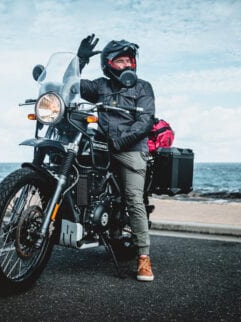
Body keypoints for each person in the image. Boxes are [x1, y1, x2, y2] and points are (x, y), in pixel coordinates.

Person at [77, 34, 156, 282]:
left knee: (133, 199)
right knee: (77, 176)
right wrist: (79, 60)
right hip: (101, 146)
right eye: (120, 61)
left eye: (129, 60)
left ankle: (143, 258)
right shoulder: (100, 86)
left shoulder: (143, 87)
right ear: (108, 64)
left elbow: (145, 122)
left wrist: (119, 142)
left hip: (130, 149)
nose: (127, 65)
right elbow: (72, 86)